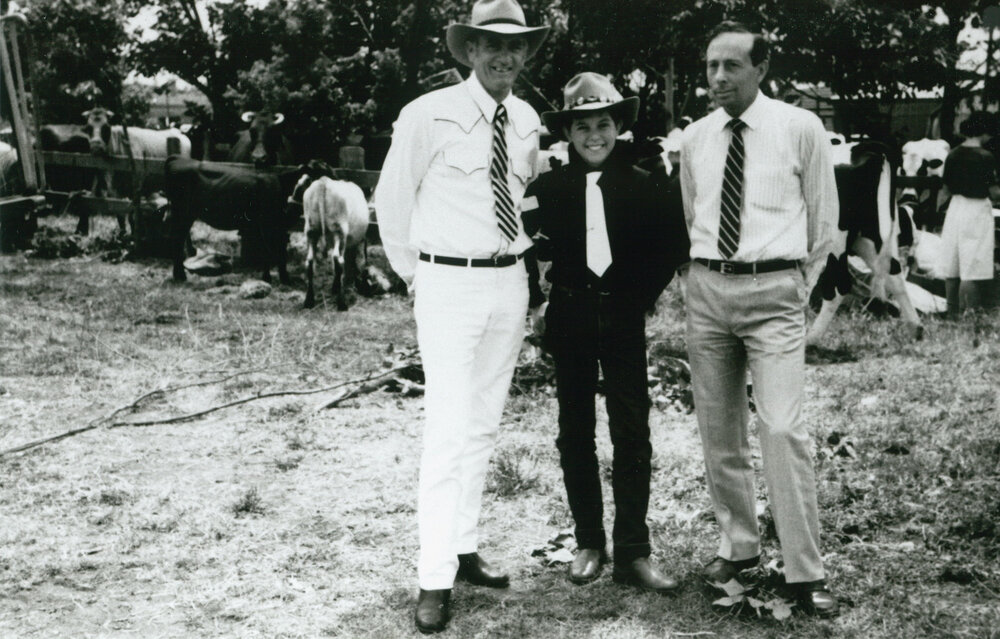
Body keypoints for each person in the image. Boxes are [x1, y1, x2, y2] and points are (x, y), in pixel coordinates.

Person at [372, 0, 548, 634]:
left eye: (516, 46)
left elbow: (526, 201)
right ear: (469, 50)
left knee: (482, 423)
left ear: (526, 54)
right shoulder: (427, 114)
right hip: (448, 281)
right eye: (490, 44)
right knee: (447, 429)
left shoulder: (527, 120)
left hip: (509, 284)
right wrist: (420, 276)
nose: (504, 56)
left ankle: (464, 544)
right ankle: (432, 577)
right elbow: (391, 201)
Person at [678, 21, 841, 617]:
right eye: (710, 66)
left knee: (781, 428)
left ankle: (805, 570)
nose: (718, 77)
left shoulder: (801, 129)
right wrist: (705, 281)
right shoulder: (695, 139)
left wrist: (799, 285)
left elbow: (824, 224)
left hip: (775, 291)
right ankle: (740, 547)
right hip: (709, 291)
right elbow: (692, 211)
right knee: (720, 430)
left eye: (731, 66)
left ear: (760, 69)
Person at [522, 72, 689, 592]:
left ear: (619, 125)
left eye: (602, 124)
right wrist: (540, 295)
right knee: (575, 431)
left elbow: (671, 246)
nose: (593, 135)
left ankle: (633, 552)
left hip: (622, 316)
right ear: (566, 133)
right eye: (581, 127)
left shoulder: (643, 182)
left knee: (632, 431)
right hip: (570, 316)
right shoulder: (547, 187)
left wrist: (637, 297)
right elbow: (527, 243)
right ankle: (589, 540)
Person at [939, 111, 998, 316]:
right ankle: (969, 314)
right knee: (972, 266)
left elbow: (945, 189)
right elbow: (993, 192)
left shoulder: (953, 154)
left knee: (953, 264)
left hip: (955, 209)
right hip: (977, 210)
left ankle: (951, 312)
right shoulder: (985, 157)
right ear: (985, 132)